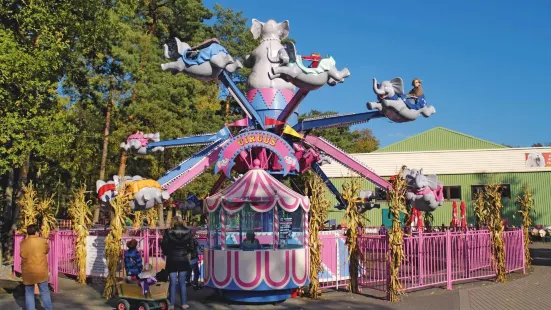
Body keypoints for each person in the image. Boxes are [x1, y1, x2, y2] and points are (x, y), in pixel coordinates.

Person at [161, 216, 193, 310]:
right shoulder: (188, 232)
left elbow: (164, 245)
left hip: (172, 259)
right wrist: (186, 252)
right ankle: (184, 304)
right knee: (182, 282)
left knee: (172, 282)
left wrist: (168, 253)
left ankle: (171, 304)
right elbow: (191, 246)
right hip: (183, 259)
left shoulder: (168, 232)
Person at [20, 224, 52, 310]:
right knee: (44, 291)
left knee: (29, 293)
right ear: (37, 232)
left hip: (28, 271)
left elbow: (22, 254)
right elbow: (46, 250)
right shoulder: (42, 241)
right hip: (41, 270)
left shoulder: (23, 243)